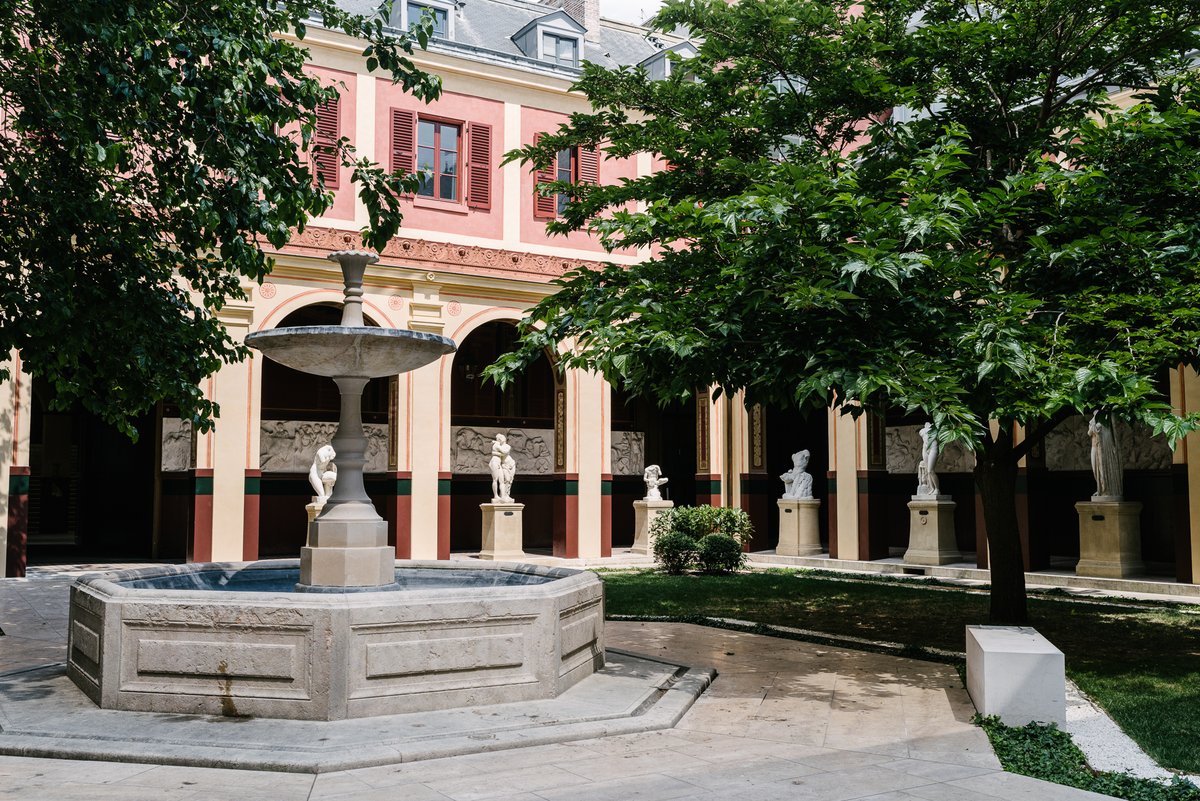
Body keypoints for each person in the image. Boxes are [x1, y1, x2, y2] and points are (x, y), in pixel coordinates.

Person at [490, 434, 517, 502]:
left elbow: (504, 452)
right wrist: (495, 451)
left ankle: (506, 495)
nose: (499, 439)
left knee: (509, 480)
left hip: (511, 463)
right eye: (498, 438)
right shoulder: (497, 445)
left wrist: (495, 452)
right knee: (506, 479)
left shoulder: (507, 446)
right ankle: (499, 495)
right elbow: (494, 452)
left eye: (500, 438)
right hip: (502, 465)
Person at [917, 423, 940, 497]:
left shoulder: (935, 430)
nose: (927, 423)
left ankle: (937, 489)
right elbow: (921, 432)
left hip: (933, 448)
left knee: (930, 470)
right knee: (927, 470)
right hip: (925, 449)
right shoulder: (922, 431)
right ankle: (932, 488)